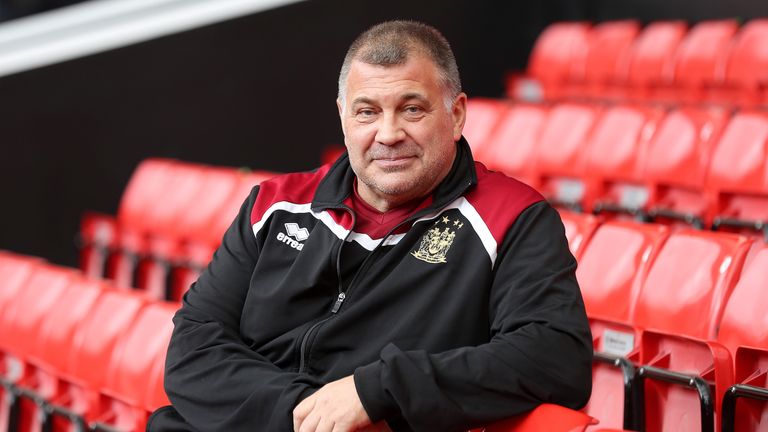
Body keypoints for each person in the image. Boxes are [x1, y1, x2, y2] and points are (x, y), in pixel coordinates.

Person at [148, 20, 592, 432]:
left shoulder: (513, 218)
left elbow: (554, 357)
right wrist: (302, 415)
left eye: (411, 109)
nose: (388, 132)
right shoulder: (274, 204)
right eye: (367, 112)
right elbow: (192, 350)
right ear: (343, 116)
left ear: (455, 115)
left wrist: (376, 390)